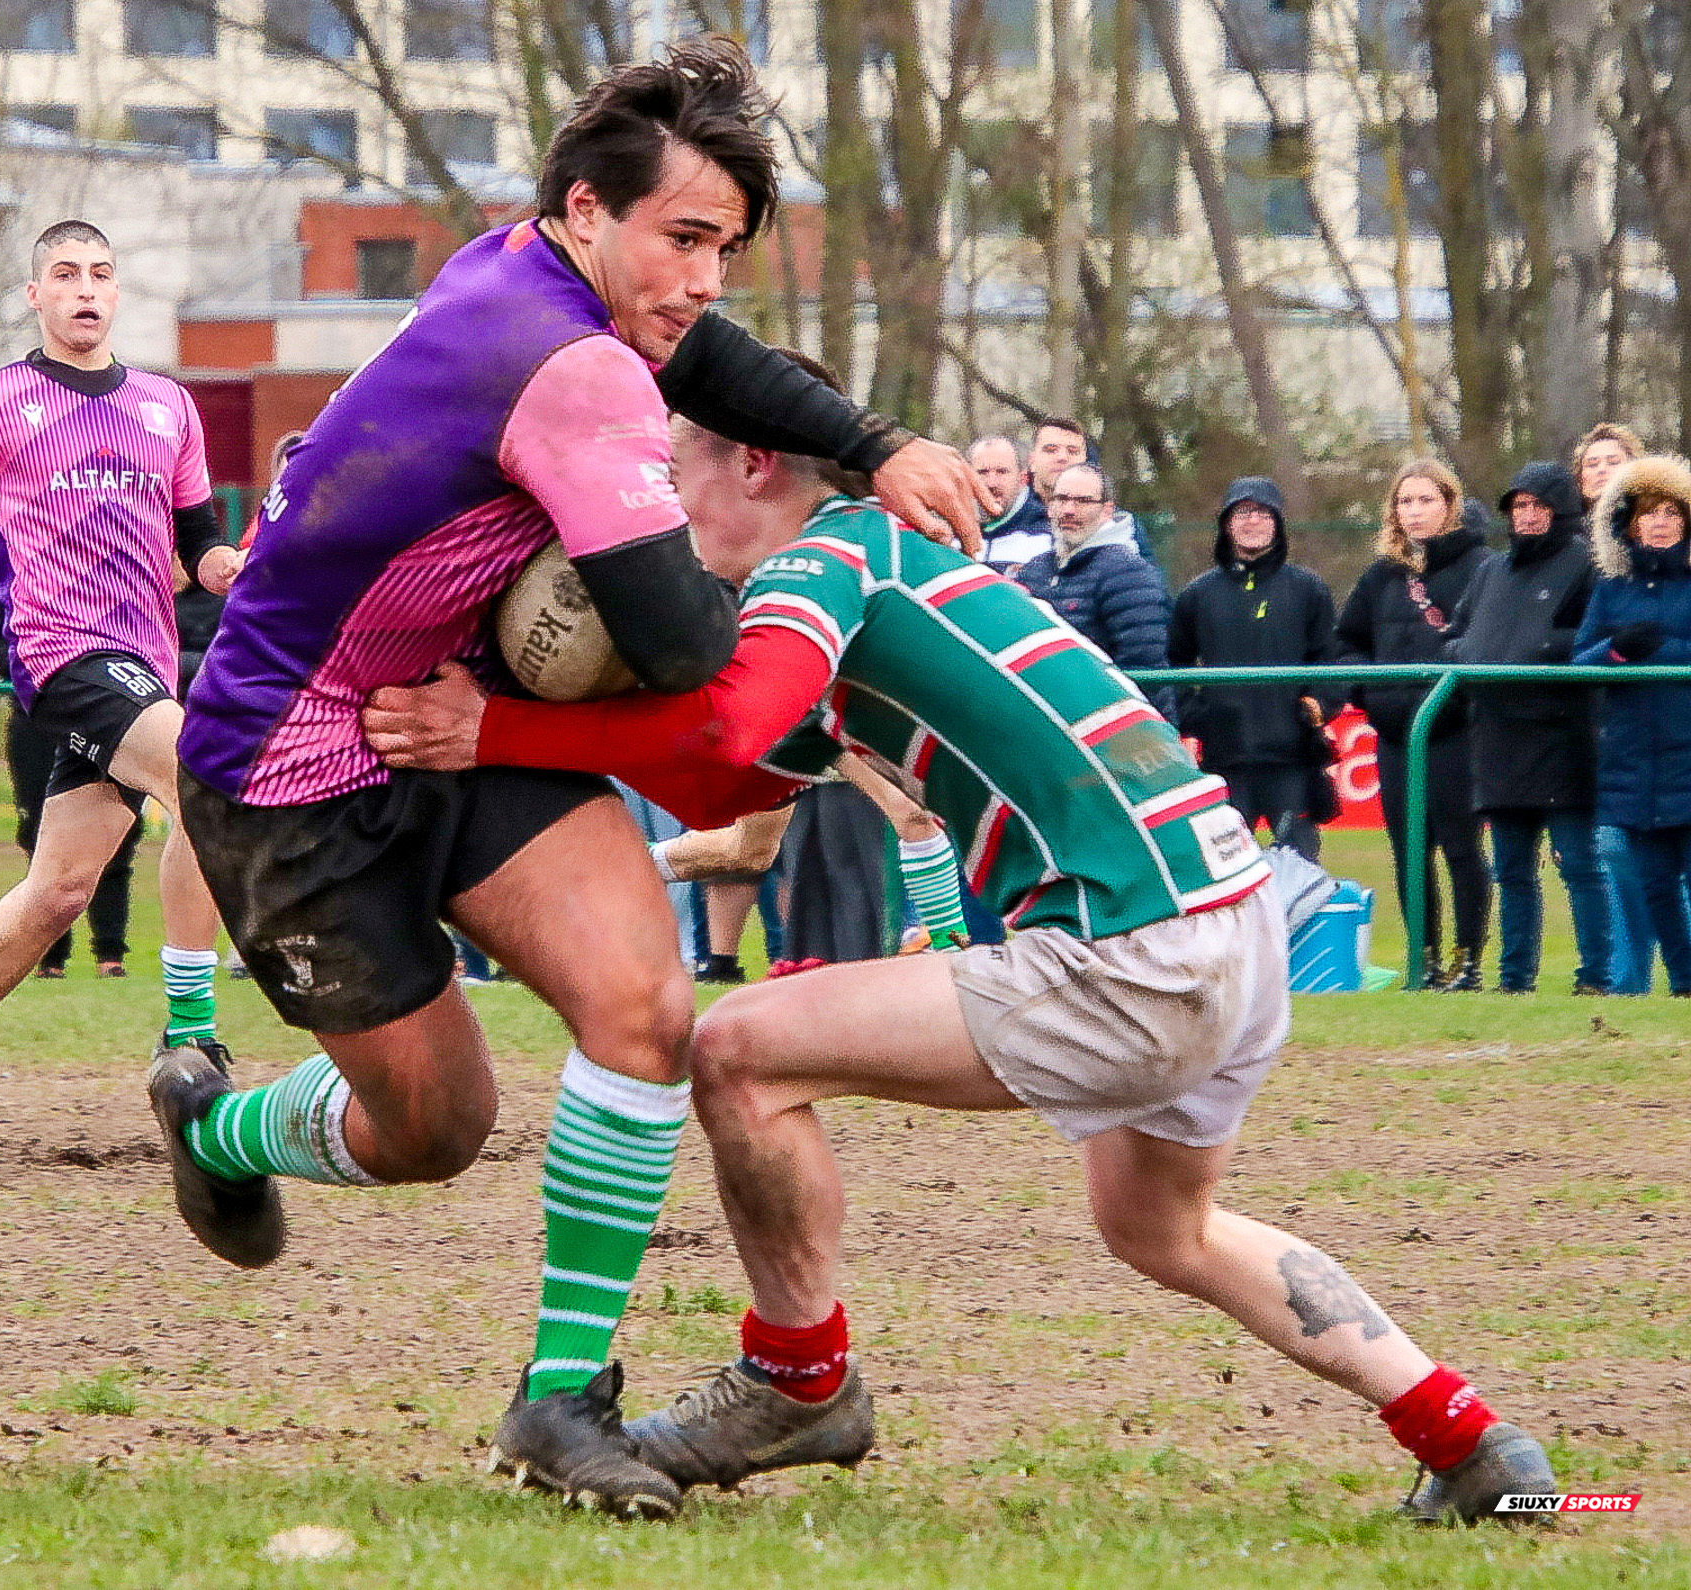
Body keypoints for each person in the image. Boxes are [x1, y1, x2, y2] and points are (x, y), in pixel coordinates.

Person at [361, 373, 1557, 1526]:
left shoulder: (828, 558)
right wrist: (542, 723)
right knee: (1162, 1228)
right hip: (1229, 923)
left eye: (672, 473)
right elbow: (726, 777)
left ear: (755, 462)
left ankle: (797, 1381)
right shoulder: (869, 573)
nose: (658, 510)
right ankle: (1473, 1442)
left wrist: (492, 729)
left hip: (1135, 945)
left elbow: (728, 728)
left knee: (737, 1050)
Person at [160, 40, 989, 1521]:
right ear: (587, 210)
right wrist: (818, 587)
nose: (705, 280)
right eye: (685, 239)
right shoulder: (572, 367)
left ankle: (559, 1398)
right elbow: (679, 648)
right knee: (435, 1130)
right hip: (288, 766)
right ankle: (217, 1124)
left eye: (726, 249)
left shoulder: (526, 270)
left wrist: (873, 444)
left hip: (462, 711)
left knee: (646, 1007)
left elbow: (706, 358)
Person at [0, 219, 240, 1172]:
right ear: (35, 295)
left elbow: (199, 541)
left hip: (144, 668)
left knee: (58, 895)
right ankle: (191, 1037)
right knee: (206, 773)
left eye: (100, 273)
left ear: (116, 293)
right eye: (65, 273)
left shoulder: (168, 405)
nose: (85, 288)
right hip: (63, 658)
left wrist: (225, 564)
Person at [1446, 463, 1607, 994]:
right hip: (1496, 738)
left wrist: (1536, 650)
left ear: (1562, 510)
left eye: (1539, 505)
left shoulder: (1586, 563)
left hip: (1562, 738)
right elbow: (1457, 636)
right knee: (1511, 870)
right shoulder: (1491, 572)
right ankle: (1514, 979)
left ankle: (1596, 976)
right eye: (1519, 506)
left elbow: (1594, 636)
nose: (1528, 515)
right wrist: (1471, 655)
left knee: (1579, 866)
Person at [1336, 461, 1491, 989]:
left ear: (1450, 504)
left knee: (1463, 848)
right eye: (1405, 501)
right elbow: (1346, 643)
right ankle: (1422, 958)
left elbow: (1485, 643)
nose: (1415, 511)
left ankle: (1468, 959)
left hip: (1456, 732)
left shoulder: (1480, 567)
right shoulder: (1381, 576)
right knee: (1409, 851)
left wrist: (1456, 701)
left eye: (1426, 500)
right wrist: (1369, 693)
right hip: (1395, 735)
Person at [0, 562, 144, 979]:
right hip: (38, 717)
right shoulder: (7, 563)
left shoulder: (116, 562)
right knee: (39, 833)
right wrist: (52, 673)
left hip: (110, 715)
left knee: (115, 830)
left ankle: (110, 952)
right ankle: (49, 956)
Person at [1168, 477, 1339, 861]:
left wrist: (1319, 704)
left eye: (1263, 512)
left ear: (1277, 523)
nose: (1253, 520)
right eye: (1243, 511)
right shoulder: (1197, 595)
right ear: (1227, 523)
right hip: (1224, 761)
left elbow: (1332, 659)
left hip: (1292, 760)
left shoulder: (1308, 589)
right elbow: (1172, 664)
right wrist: (1197, 716)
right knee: (1226, 874)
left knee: (1299, 872)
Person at [1572, 454, 1691, 996]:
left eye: (1671, 512)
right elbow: (1581, 663)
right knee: (1655, 886)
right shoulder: (1611, 589)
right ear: (1629, 523)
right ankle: (1683, 983)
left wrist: (1660, 650)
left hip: (1685, 751)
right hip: (1632, 760)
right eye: (1648, 513)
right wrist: (1617, 651)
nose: (1660, 522)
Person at [1014, 463, 1174, 718]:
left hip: (1109, 724)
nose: (1069, 510)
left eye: (1083, 501)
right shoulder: (1033, 571)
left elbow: (1143, 667)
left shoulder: (1129, 571)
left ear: (1107, 511)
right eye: (1061, 499)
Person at [967, 435, 1051, 574]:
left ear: (1022, 479)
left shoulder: (1047, 536)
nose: (991, 483)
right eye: (982, 472)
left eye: (1002, 472)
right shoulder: (948, 535)